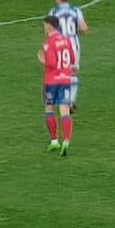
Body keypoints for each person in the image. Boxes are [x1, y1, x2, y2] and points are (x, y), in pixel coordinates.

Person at [40, 18, 77, 155]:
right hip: (65, 80)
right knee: (65, 111)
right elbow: (72, 59)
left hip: (52, 82)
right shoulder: (67, 40)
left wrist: (42, 59)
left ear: (49, 27)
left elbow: (51, 63)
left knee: (49, 110)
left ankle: (54, 141)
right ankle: (66, 140)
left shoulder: (48, 43)